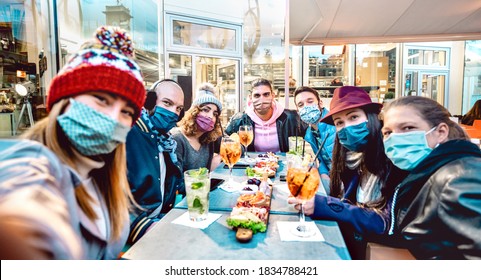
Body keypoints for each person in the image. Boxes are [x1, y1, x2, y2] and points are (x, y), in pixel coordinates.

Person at [0, 26, 145, 259]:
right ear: (65, 101)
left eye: (127, 112)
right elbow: (20, 197)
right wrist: (28, 230)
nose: (113, 118)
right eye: (101, 99)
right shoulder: (34, 157)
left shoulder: (103, 175)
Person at [288, 86, 407, 259]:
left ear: (371, 118)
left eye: (354, 117)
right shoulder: (350, 158)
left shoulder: (393, 160)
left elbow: (385, 223)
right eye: (339, 123)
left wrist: (323, 205)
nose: (347, 127)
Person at [382, 96, 481, 259]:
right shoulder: (425, 173)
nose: (395, 138)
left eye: (407, 128)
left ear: (441, 132)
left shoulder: (459, 179)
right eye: (388, 132)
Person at [125, 78, 185, 244]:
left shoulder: (166, 142)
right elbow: (112, 198)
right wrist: (146, 228)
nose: (174, 113)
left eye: (179, 108)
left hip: (162, 220)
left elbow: (173, 187)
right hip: (134, 233)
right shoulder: (130, 134)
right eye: (167, 103)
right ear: (149, 102)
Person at [225, 78, 303, 153]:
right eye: (257, 95)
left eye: (266, 94)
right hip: (252, 165)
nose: (262, 99)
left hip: (284, 165)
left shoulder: (291, 118)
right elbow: (224, 142)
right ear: (250, 98)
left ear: (273, 96)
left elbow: (311, 134)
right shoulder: (239, 120)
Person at [172, 83, 223, 173]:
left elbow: (236, 147)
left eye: (215, 114)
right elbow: (176, 182)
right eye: (205, 110)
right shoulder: (177, 139)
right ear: (194, 112)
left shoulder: (209, 137)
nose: (210, 116)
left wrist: (219, 157)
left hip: (206, 186)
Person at [293, 86, 336, 181]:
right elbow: (321, 160)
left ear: (320, 103)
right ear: (298, 112)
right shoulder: (310, 133)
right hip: (329, 178)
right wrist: (324, 174)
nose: (306, 107)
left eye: (310, 101)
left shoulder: (336, 124)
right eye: (301, 105)